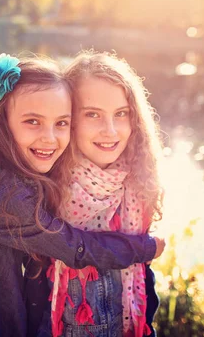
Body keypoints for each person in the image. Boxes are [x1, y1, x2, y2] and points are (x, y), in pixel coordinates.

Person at [0, 54, 165, 337]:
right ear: (1, 122)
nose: (50, 138)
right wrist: (145, 248)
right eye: (33, 122)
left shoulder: (7, 164)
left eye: (61, 123)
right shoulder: (3, 191)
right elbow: (75, 248)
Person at [37, 50, 165, 337]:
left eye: (121, 114)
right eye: (93, 114)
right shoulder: (45, 186)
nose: (110, 130)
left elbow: (144, 288)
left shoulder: (137, 183)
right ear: (68, 118)